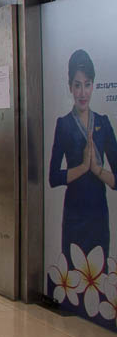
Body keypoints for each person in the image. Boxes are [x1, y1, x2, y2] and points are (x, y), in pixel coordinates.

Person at [49, 49, 117, 264]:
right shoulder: (64, 124)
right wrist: (82, 168)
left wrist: (97, 170)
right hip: (74, 215)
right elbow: (53, 177)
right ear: (70, 87)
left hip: (98, 214)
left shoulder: (103, 123)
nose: (82, 92)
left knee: (98, 274)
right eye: (77, 85)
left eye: (87, 84)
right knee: (73, 273)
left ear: (93, 85)